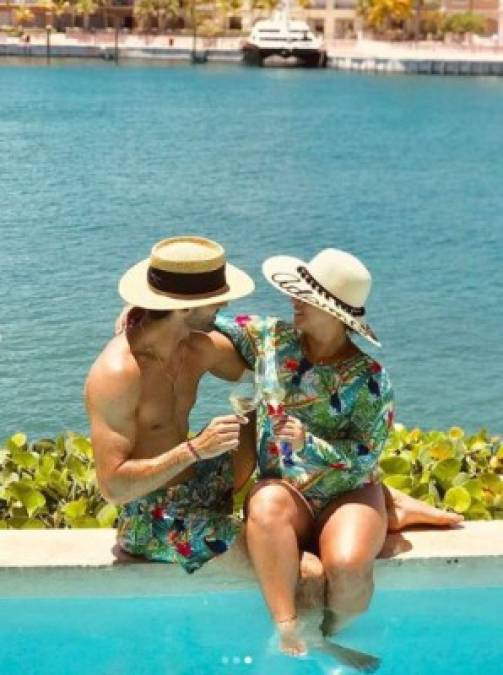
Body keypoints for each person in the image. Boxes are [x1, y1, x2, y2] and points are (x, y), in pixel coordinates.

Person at [213, 248, 462, 657]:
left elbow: (366, 455)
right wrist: (150, 315)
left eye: (305, 298)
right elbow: (207, 322)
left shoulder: (371, 380)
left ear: (335, 313)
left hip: (348, 492)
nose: (293, 301)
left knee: (346, 568)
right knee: (267, 505)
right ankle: (288, 627)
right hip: (288, 491)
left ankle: (333, 632)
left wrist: (307, 443)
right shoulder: (271, 337)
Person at [85, 236, 257, 573]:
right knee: (288, 560)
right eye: (216, 301)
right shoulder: (119, 372)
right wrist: (194, 450)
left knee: (263, 411)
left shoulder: (196, 347)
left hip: (203, 487)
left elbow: (270, 354)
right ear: (185, 309)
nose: (223, 307)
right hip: (154, 518)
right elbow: (113, 487)